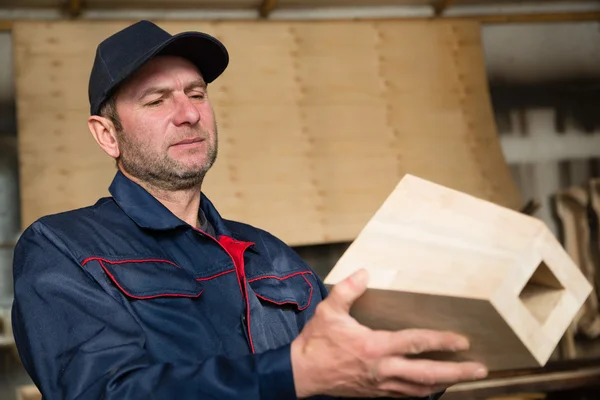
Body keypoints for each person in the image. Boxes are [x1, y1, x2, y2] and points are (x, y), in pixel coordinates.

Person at [11, 20, 488, 399]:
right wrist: (292, 375)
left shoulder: (270, 253)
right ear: (106, 135)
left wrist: (413, 363)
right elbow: (104, 392)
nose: (189, 113)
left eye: (196, 93)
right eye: (157, 100)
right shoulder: (64, 249)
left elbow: (346, 375)